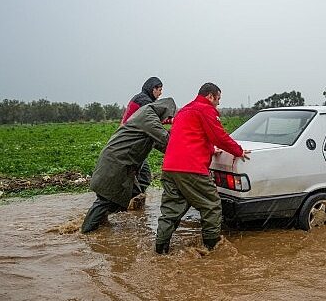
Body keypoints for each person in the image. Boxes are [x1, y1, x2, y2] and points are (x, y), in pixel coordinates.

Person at [155, 82, 250, 254]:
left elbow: (192, 137)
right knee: (212, 205)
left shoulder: (184, 111)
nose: (219, 103)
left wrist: (210, 151)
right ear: (210, 96)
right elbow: (218, 136)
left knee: (171, 210)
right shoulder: (205, 109)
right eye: (218, 99)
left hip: (170, 168)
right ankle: (212, 248)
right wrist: (238, 151)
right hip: (191, 169)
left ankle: (160, 250)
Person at [81, 97, 177, 233]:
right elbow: (166, 140)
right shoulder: (148, 115)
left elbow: (161, 145)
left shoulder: (148, 119)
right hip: (116, 161)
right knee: (105, 199)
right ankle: (86, 233)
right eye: (168, 116)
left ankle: (100, 224)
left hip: (121, 162)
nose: (166, 119)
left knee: (129, 194)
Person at [119, 77, 165, 195]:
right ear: (153, 89)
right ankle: (132, 201)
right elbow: (153, 123)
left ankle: (132, 201)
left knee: (137, 175)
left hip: (127, 141)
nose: (160, 93)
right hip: (131, 143)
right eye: (159, 89)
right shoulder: (145, 101)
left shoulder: (140, 98)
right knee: (144, 175)